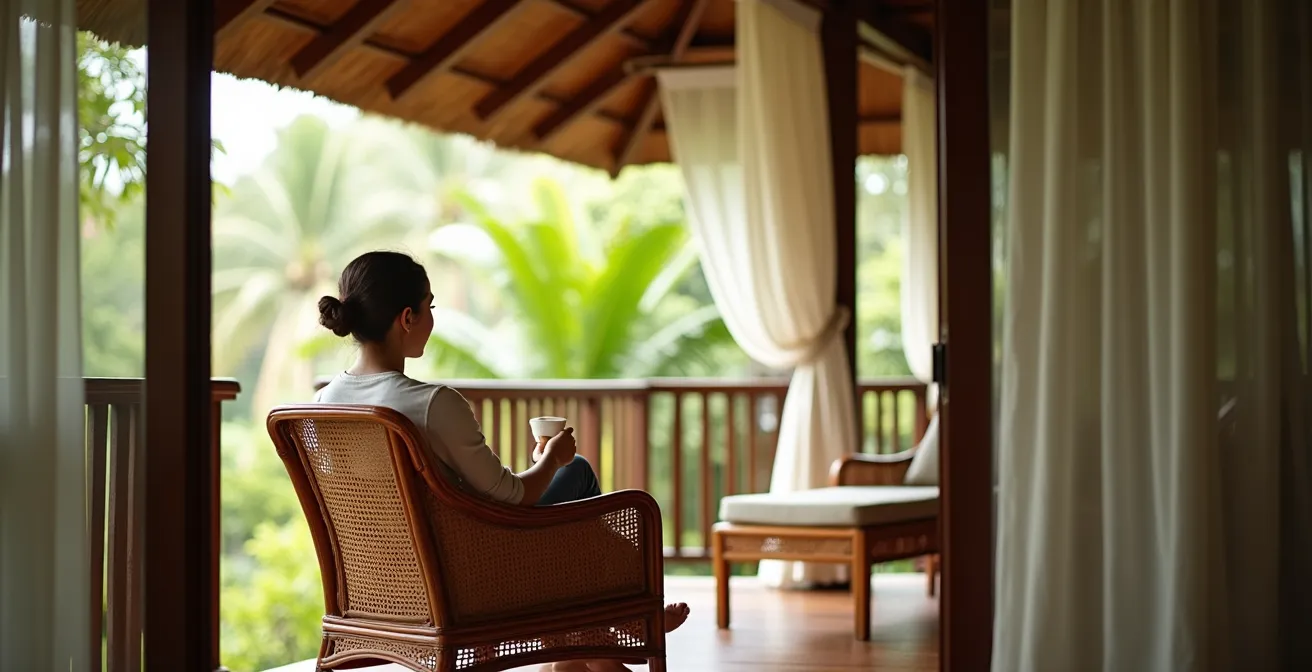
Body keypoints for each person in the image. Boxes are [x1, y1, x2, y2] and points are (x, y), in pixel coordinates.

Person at [314, 251, 690, 645]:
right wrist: (553, 459)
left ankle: (581, 646)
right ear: (407, 318)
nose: (432, 318)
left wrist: (545, 465)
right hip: (468, 579)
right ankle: (624, 616)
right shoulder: (432, 404)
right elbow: (511, 497)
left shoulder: (324, 403)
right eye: (430, 307)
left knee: (561, 495)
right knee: (575, 471)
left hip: (379, 584)